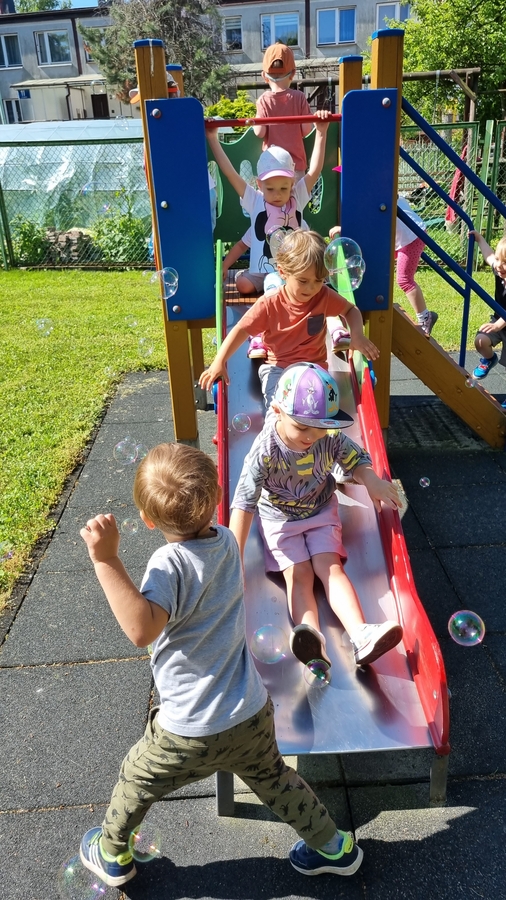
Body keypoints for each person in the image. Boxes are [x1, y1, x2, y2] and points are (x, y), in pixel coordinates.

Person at [77, 442, 364, 887]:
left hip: (189, 729)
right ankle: (334, 847)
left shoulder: (168, 563)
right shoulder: (228, 540)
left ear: (148, 520)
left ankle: (112, 853)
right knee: (276, 781)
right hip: (250, 713)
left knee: (136, 777)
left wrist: (106, 559)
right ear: (215, 499)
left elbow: (141, 629)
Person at [230, 363, 403, 669]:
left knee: (331, 568)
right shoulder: (264, 450)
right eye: (302, 427)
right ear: (277, 412)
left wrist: (371, 480)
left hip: (321, 511)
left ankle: (360, 635)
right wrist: (235, 557)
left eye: (320, 427)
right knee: (299, 575)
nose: (311, 436)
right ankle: (310, 637)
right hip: (280, 520)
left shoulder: (328, 435)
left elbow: (355, 458)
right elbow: (244, 503)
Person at [199, 229, 378, 417]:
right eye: (303, 280)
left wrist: (357, 335)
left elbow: (350, 310)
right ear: (283, 272)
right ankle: (274, 434)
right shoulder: (270, 303)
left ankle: (320, 435)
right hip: (278, 369)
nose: (311, 288)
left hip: (314, 368)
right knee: (278, 411)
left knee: (322, 410)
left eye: (318, 280)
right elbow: (241, 330)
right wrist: (219, 361)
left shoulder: (323, 296)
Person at [206, 113, 329, 301]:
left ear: (292, 184)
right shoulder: (255, 200)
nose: (277, 194)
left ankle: (274, 287)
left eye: (284, 188)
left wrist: (321, 132)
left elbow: (315, 171)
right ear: (259, 184)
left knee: (292, 285)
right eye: (270, 189)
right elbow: (230, 174)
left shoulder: (297, 197)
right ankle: (262, 282)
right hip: (261, 270)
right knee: (243, 285)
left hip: (292, 271)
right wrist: (212, 139)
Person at [254, 43, 313, 183]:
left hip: (271, 166)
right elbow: (307, 130)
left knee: (272, 197)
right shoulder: (299, 97)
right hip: (295, 166)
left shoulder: (263, 100)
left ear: (264, 76)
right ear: (293, 73)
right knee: (297, 197)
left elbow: (259, 132)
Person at [468, 230, 506, 401]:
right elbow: (489, 256)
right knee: (481, 341)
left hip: (501, 322)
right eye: (499, 260)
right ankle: (489, 359)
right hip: (499, 321)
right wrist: (480, 239)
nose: (499, 266)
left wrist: (498, 325)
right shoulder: (499, 271)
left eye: (505, 262)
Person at [396, 196, 438, 336]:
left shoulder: (384, 189)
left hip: (412, 235)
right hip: (402, 236)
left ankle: (425, 317)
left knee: (404, 279)